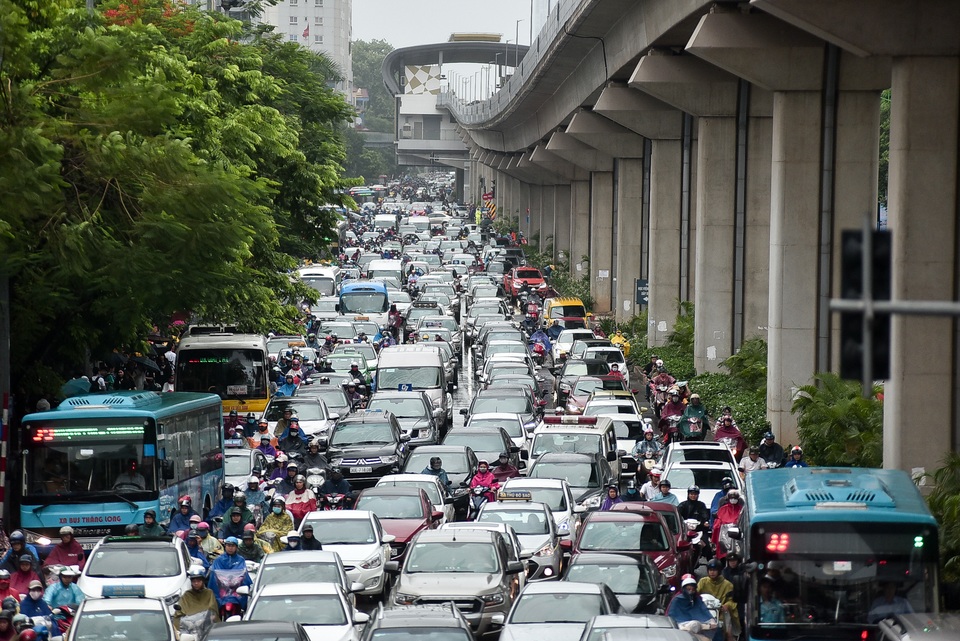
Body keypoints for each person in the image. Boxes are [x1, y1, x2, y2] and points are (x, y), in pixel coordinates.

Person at [697, 559, 738, 641]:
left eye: (714, 570)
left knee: (728, 632)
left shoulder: (727, 585)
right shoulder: (703, 582)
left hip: (721, 613)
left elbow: (732, 600)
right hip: (704, 612)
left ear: (719, 571)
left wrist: (727, 605)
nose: (712, 572)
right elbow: (696, 595)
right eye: (710, 570)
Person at [208, 537, 252, 612]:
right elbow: (215, 574)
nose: (230, 548)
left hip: (236, 588)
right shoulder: (219, 560)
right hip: (222, 588)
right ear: (225, 546)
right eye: (228, 545)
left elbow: (243, 573)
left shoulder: (240, 560)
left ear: (236, 547)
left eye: (233, 546)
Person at [174, 567, 219, 632]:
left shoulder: (209, 593)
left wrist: (208, 617)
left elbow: (213, 609)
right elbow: (179, 612)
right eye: (194, 581)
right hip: (189, 625)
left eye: (198, 581)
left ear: (203, 581)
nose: (196, 583)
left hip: (205, 624)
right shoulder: (187, 595)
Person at [712, 490, 744, 560]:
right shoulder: (723, 509)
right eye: (731, 498)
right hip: (724, 535)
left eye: (735, 498)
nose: (733, 500)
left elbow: (743, 521)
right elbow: (717, 522)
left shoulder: (741, 510)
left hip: (737, 536)